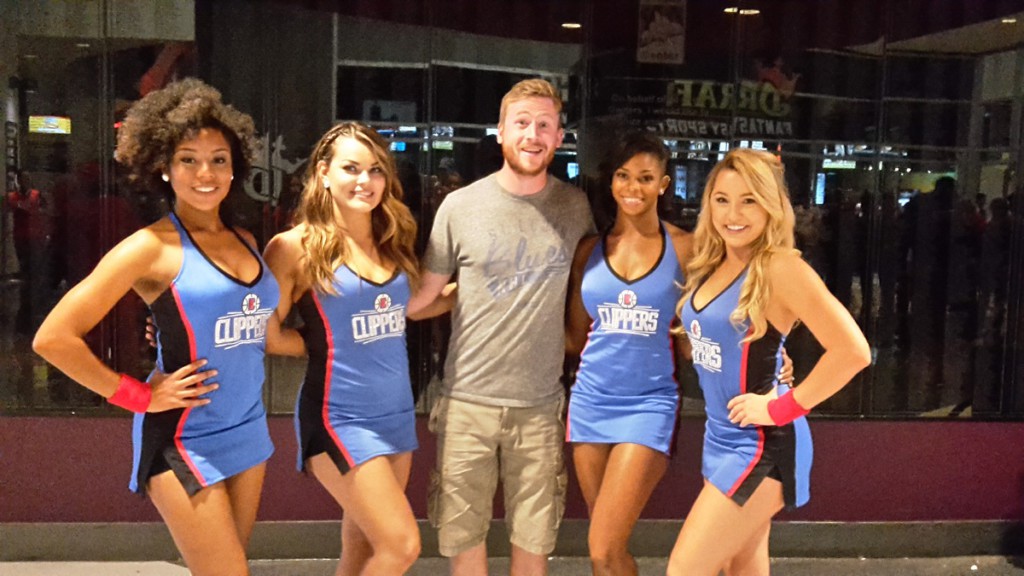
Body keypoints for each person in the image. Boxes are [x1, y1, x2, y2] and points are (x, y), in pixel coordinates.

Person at [32, 79, 302, 576]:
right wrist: (138, 396)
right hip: (184, 436)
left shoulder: (244, 238)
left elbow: (245, 320)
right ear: (163, 166)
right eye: (188, 159)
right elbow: (52, 337)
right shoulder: (150, 247)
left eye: (219, 159)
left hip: (247, 426)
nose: (205, 173)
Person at [408, 78, 595, 575]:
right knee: (462, 536)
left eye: (544, 125)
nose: (532, 135)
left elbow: (595, 290)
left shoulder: (575, 208)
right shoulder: (460, 207)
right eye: (522, 123)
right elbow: (425, 295)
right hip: (466, 401)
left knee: (534, 538)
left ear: (559, 137)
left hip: (540, 405)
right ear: (500, 131)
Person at [667, 149, 871, 575]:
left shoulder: (780, 268)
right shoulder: (712, 261)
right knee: (742, 567)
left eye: (749, 200)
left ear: (771, 206)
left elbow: (853, 351)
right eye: (722, 199)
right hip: (720, 436)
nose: (733, 213)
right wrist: (773, 352)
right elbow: (714, 339)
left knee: (684, 570)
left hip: (762, 444)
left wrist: (781, 405)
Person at [263, 122, 449, 575]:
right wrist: (319, 346)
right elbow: (265, 334)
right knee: (402, 546)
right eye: (351, 168)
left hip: (397, 414)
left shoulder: (392, 241)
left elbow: (402, 311)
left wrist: (477, 288)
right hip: (339, 417)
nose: (365, 181)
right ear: (323, 173)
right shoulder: (294, 248)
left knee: (362, 549)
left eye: (375, 170)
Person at [564, 132, 691, 576]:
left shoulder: (686, 249)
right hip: (589, 403)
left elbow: (708, 326)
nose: (632, 187)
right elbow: (576, 338)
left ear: (664, 184)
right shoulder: (588, 252)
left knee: (601, 544)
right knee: (607, 549)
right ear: (610, 182)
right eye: (623, 176)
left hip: (649, 405)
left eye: (645, 177)